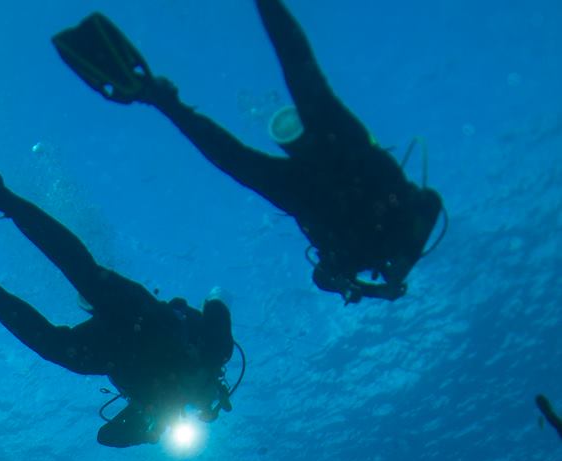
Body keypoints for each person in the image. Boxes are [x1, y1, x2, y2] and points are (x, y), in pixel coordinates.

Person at [53, 4, 445, 304]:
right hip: (349, 163)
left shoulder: (363, 254)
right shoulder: (401, 233)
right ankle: (161, 98)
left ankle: (161, 99)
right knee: (300, 82)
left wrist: (371, 287)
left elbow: (324, 278)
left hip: (318, 192)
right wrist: (390, 277)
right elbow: (431, 201)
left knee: (254, 136)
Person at [0, 178, 238, 448]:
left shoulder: (157, 409)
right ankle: (0, 196)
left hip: (112, 351)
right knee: (85, 274)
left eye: (200, 405)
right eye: (207, 397)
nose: (197, 399)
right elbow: (216, 298)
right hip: (148, 320)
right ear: (217, 388)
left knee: (52, 346)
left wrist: (151, 431)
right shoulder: (215, 351)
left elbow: (106, 438)